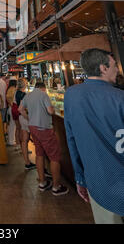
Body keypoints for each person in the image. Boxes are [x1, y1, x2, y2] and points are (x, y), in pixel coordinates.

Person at [64, 49, 124, 224]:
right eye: (114, 65)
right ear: (103, 68)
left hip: (97, 183)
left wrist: (80, 178)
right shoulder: (120, 98)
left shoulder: (71, 95)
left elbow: (72, 139)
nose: (117, 70)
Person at [22, 81, 68, 196]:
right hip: (44, 128)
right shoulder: (44, 95)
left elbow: (20, 109)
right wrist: (52, 108)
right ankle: (56, 187)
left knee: (39, 154)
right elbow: (50, 111)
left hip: (33, 127)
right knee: (54, 157)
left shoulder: (28, 96)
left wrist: (29, 118)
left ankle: (42, 182)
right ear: (43, 88)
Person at [17, 79, 36, 171]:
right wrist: (29, 118)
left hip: (21, 118)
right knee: (34, 139)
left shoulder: (17, 93)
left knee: (24, 140)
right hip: (25, 117)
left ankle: (27, 162)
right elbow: (22, 108)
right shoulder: (24, 95)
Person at [6, 77, 17, 146]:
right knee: (12, 126)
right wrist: (12, 105)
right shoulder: (13, 89)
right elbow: (8, 97)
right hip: (12, 108)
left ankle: (11, 140)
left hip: (10, 108)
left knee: (11, 125)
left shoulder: (10, 88)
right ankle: (11, 141)